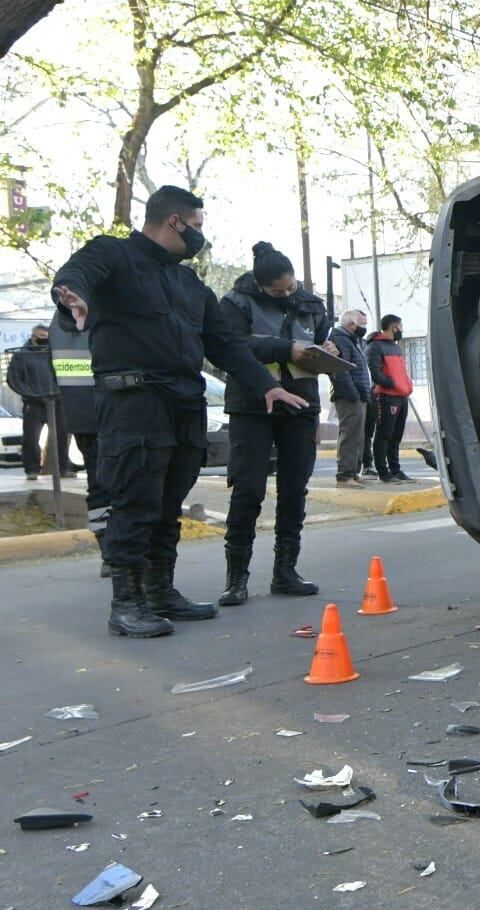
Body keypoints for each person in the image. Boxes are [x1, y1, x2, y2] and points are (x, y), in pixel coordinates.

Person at [51, 185, 307, 639]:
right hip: (134, 402)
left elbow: (225, 344)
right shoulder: (113, 253)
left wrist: (267, 385)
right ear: (175, 222)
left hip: (184, 405)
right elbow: (77, 274)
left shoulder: (191, 285)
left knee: (168, 504)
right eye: (197, 226)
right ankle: (126, 604)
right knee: (135, 501)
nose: (200, 235)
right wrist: (72, 296)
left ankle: (160, 591)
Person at [214, 242, 333, 606]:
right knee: (248, 489)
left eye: (290, 287)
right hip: (252, 406)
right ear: (260, 285)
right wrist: (286, 349)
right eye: (277, 292)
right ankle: (236, 578)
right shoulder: (235, 303)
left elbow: (321, 341)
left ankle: (286, 572)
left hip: (301, 404)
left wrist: (331, 351)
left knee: (294, 489)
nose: (286, 295)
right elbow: (231, 347)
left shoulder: (312, 304)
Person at [47, 318, 111, 572]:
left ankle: (109, 551)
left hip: (81, 414)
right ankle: (122, 551)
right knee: (124, 483)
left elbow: (53, 371)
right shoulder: (105, 310)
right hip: (114, 410)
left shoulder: (58, 324)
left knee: (98, 484)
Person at [4, 324, 70, 482]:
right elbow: (13, 379)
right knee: (31, 438)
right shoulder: (22, 356)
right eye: (41, 338)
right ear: (33, 337)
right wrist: (30, 394)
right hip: (34, 403)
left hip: (56, 401)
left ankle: (63, 468)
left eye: (47, 338)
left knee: (62, 435)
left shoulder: (54, 353)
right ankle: (32, 469)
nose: (45, 341)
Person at [366, 314, 413, 483]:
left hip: (402, 396)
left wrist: (406, 384)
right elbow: (376, 373)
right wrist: (393, 384)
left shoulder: (396, 347)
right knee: (384, 435)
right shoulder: (375, 346)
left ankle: (395, 469)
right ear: (394, 327)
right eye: (400, 326)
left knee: (396, 436)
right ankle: (383, 472)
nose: (402, 330)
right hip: (386, 397)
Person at [327, 309, 371, 488]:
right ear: (352, 324)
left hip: (358, 394)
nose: (364, 328)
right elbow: (340, 368)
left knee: (358, 435)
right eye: (362, 324)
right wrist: (352, 393)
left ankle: (353, 472)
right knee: (350, 434)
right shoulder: (341, 339)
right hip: (349, 395)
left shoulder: (353, 340)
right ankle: (345, 476)